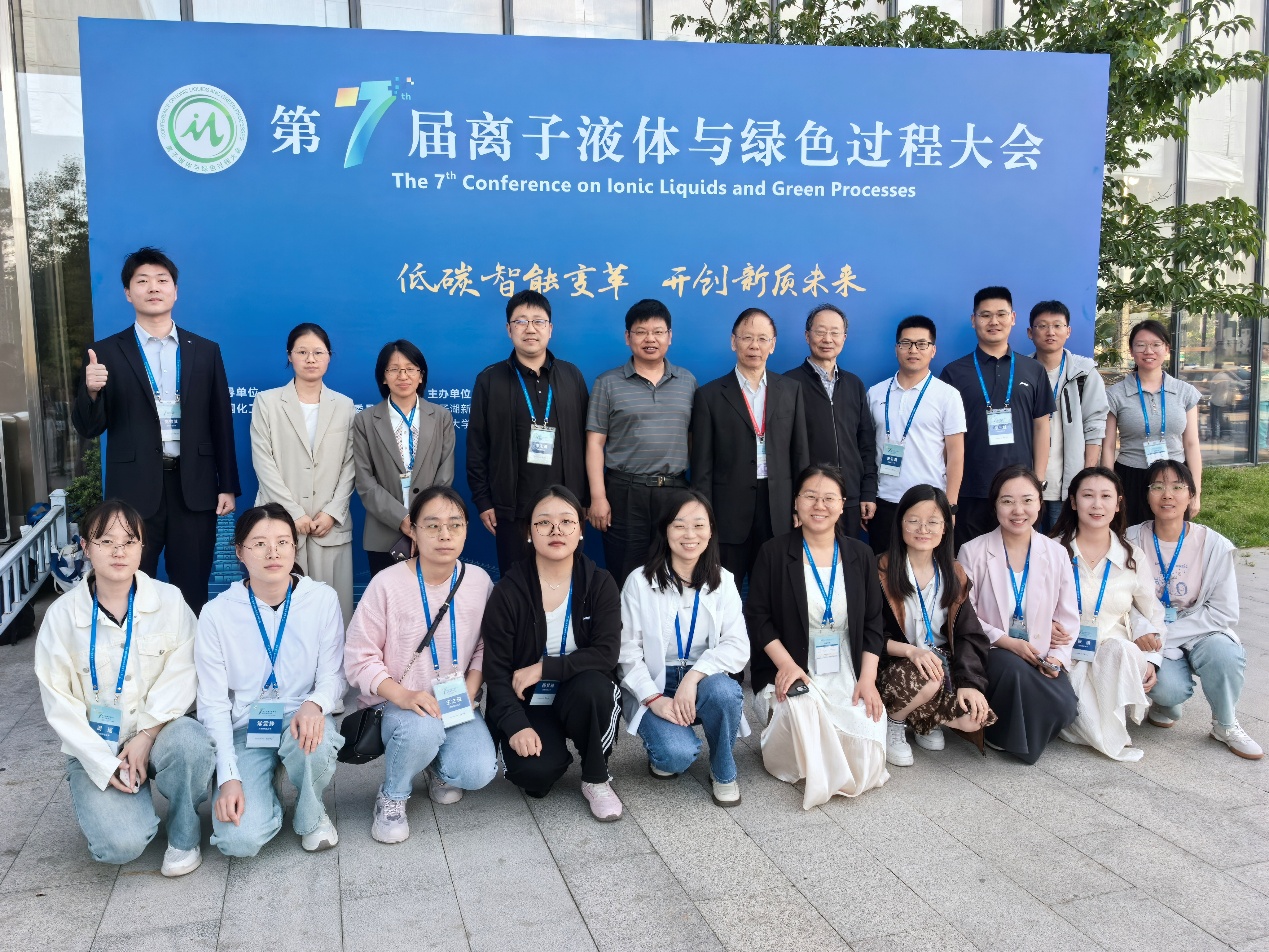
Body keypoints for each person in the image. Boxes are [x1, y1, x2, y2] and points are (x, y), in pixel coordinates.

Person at [33, 500, 215, 877]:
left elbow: (185, 672)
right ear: (85, 547)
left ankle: (184, 829)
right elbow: (59, 704)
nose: (119, 551)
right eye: (106, 541)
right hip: (96, 744)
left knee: (192, 744)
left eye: (130, 541)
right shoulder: (61, 617)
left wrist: (146, 735)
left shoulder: (169, 600)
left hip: (160, 732)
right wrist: (103, 763)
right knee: (121, 846)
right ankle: (114, 804)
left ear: (142, 547)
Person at [71, 247, 239, 612]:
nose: (153, 288)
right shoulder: (104, 353)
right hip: (133, 490)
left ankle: (189, 648)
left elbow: (220, 421)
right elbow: (89, 427)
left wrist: (227, 483)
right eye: (142, 281)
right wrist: (91, 392)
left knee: (192, 587)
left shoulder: (205, 351)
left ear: (175, 291)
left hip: (193, 488)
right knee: (129, 585)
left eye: (162, 280)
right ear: (128, 293)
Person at [344, 487, 498, 843]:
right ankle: (393, 795)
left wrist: (470, 689)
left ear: (465, 530)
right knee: (421, 730)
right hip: (399, 703)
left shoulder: (479, 581)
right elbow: (357, 658)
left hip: (454, 699)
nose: (445, 534)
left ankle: (434, 766)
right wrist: (403, 695)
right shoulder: (387, 583)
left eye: (455, 525)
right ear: (412, 530)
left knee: (477, 771)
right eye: (432, 525)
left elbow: (485, 645)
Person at [195, 503, 347, 856]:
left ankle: (311, 814)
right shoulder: (216, 614)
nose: (273, 552)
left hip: (301, 718)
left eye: (282, 542)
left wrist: (315, 703)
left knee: (317, 741)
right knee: (238, 841)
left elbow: (334, 675)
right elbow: (213, 704)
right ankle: (264, 788)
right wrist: (229, 777)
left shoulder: (321, 599)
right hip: (247, 728)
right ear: (239, 552)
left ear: (295, 547)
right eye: (259, 544)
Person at [745, 464, 888, 809]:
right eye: (810, 496)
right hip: (791, 661)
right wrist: (787, 665)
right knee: (805, 707)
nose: (819, 505)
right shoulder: (774, 552)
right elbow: (758, 618)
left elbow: (873, 622)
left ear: (842, 505)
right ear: (796, 502)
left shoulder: (860, 555)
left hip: (845, 663)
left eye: (829, 498)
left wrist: (868, 680)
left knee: (866, 735)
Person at [481, 485, 625, 820]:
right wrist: (516, 724)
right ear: (529, 532)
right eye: (544, 522)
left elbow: (606, 654)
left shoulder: (599, 583)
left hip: (579, 690)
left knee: (595, 687)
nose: (556, 530)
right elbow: (496, 670)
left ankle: (596, 777)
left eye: (567, 522)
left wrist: (543, 668)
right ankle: (551, 751)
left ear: (580, 530)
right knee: (535, 778)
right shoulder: (508, 592)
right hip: (528, 699)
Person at [618, 491, 750, 806]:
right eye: (679, 525)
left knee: (725, 692)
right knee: (675, 757)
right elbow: (626, 651)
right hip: (656, 683)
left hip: (702, 680)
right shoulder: (639, 582)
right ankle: (666, 748)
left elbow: (737, 645)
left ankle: (723, 770)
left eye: (698, 525)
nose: (690, 535)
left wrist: (693, 677)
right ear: (665, 530)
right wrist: (653, 698)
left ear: (711, 531)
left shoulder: (723, 580)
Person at [1127, 460, 1263, 759]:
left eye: (1178, 487)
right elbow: (1122, 598)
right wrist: (1145, 629)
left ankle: (1225, 724)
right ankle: (1166, 703)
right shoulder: (1130, 539)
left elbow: (1224, 612)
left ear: (1191, 495)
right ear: (1146, 495)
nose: (1167, 495)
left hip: (1199, 626)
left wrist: (1166, 634)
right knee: (1167, 689)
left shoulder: (1213, 544)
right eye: (1157, 487)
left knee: (1224, 654)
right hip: (1150, 628)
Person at [957, 465, 1079, 763]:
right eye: (1007, 501)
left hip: (1039, 654)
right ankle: (1010, 739)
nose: (1018, 510)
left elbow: (1068, 616)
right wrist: (1007, 642)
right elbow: (964, 614)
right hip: (992, 651)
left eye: (1027, 500)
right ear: (995, 505)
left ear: (1040, 503)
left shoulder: (1056, 553)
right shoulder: (972, 551)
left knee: (1067, 707)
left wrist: (1057, 658)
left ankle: (1003, 728)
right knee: (1012, 668)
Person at [468, 290, 590, 575]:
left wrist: (585, 499)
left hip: (567, 508)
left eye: (538, 321)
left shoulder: (571, 376)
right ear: (508, 329)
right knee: (517, 585)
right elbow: (477, 447)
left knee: (565, 582)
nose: (530, 329)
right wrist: (483, 501)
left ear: (550, 328)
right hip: (512, 510)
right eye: (521, 321)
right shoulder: (489, 380)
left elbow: (588, 442)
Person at [875, 485, 995, 766]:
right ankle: (894, 721)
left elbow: (968, 634)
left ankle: (923, 720)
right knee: (928, 678)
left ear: (945, 527)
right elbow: (868, 634)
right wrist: (910, 651)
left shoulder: (953, 573)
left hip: (940, 664)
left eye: (932, 522)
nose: (923, 529)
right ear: (900, 523)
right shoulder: (880, 569)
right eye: (914, 520)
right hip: (895, 664)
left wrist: (969, 684)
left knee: (973, 719)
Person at [691, 307, 809, 590]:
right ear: (734, 342)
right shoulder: (709, 395)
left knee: (774, 588)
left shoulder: (790, 390)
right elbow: (702, 466)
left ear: (773, 344)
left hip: (778, 508)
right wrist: (704, 516)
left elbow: (800, 453)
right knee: (723, 589)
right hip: (728, 512)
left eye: (762, 338)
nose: (754, 345)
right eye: (747, 338)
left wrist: (800, 503)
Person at [1051, 467, 1164, 761]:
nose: (1097, 505)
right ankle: (1089, 723)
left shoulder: (1132, 556)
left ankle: (1103, 724)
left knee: (1121, 650)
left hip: (1113, 656)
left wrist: (1152, 659)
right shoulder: (1052, 551)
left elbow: (1152, 612)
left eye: (1105, 497)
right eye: (1088, 496)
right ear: (1073, 502)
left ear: (1118, 503)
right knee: (1077, 719)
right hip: (1064, 654)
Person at [586, 299, 697, 587]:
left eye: (658, 332)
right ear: (628, 337)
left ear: (669, 336)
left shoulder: (687, 382)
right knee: (626, 575)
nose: (650, 339)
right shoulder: (607, 383)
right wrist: (598, 497)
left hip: (674, 492)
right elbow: (595, 443)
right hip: (625, 493)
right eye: (641, 332)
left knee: (674, 573)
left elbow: (693, 439)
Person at [250, 323, 356, 622]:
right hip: (279, 523)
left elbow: (351, 464)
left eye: (318, 352)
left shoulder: (345, 405)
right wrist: (292, 513)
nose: (311, 359)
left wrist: (333, 512)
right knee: (279, 613)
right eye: (302, 352)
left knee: (332, 615)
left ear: (329, 356)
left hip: (328, 526)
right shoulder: (267, 402)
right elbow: (264, 462)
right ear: (290, 356)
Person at [940, 287, 1055, 548]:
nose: (994, 321)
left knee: (1018, 561)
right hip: (970, 490)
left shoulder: (1033, 370)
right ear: (974, 320)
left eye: (1001, 314)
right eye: (985, 315)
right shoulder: (954, 373)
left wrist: (1037, 482)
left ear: (1013, 318)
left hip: (1019, 493)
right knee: (968, 563)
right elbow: (945, 438)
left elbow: (1041, 427)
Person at [353, 340, 456, 576]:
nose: (403, 376)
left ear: (421, 376)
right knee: (387, 597)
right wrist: (402, 519)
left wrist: (423, 522)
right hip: (383, 535)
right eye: (394, 369)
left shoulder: (441, 418)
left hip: (432, 531)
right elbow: (365, 482)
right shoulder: (365, 421)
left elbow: (444, 476)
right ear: (383, 377)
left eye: (410, 369)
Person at [866, 315, 966, 554]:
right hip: (883, 502)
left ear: (933, 350)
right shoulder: (875, 393)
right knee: (884, 569)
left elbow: (956, 454)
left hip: (929, 503)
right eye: (906, 343)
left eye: (922, 344)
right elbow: (866, 449)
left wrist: (950, 507)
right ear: (896, 349)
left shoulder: (947, 395)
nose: (913, 350)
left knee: (926, 570)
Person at [782, 303, 877, 537]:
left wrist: (867, 492)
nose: (827, 339)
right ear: (807, 335)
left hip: (849, 498)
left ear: (844, 337)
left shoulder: (854, 384)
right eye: (820, 331)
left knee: (847, 556)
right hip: (810, 500)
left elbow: (866, 444)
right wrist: (793, 500)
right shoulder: (787, 384)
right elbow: (782, 449)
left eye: (835, 332)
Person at [1102, 320, 1203, 526]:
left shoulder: (1185, 392)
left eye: (1156, 344)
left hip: (1175, 477)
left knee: (1171, 537)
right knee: (1129, 537)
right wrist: (1108, 490)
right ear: (1131, 351)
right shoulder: (1115, 394)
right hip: (1130, 477)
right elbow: (1108, 446)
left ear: (1166, 349)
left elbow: (1192, 444)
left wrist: (1196, 492)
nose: (1149, 351)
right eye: (1141, 345)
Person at [1027, 301, 1108, 533]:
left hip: (1068, 483)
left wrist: (1086, 476)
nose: (1050, 332)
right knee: (1025, 546)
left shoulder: (1084, 373)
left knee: (1063, 546)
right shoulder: (1021, 372)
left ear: (1068, 331)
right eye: (1042, 326)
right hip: (1027, 483)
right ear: (1030, 332)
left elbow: (1095, 425)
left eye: (1057, 325)